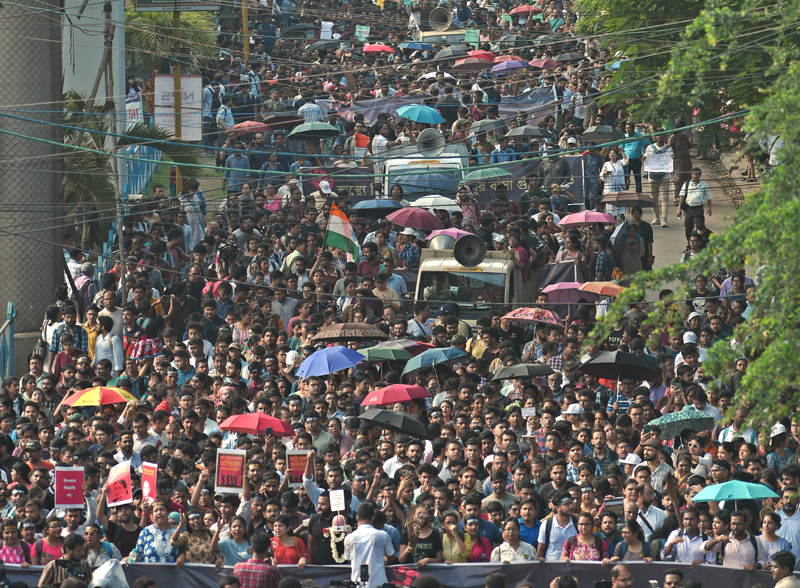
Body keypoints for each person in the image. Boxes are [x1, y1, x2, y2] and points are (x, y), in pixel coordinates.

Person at [344, 502, 395, 588]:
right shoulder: (383, 535)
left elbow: (349, 559)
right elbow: (391, 556)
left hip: (357, 583)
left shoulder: (349, 538)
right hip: (379, 582)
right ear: (373, 517)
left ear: (357, 518)